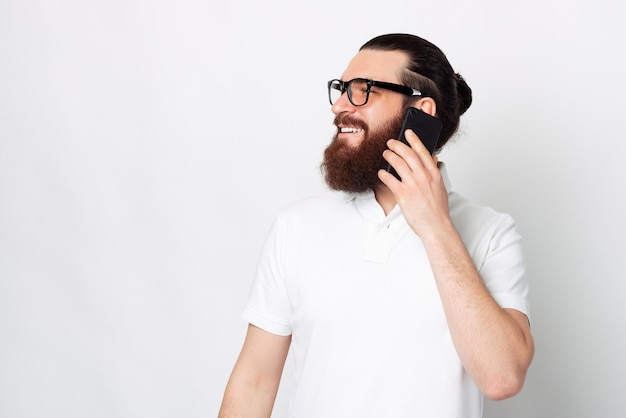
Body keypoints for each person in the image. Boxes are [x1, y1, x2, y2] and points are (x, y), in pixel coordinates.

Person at [218, 33, 534, 418]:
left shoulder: (491, 233)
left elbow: (502, 378)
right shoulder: (295, 226)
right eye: (341, 89)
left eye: (361, 90)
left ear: (422, 111)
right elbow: (255, 380)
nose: (339, 105)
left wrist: (435, 227)